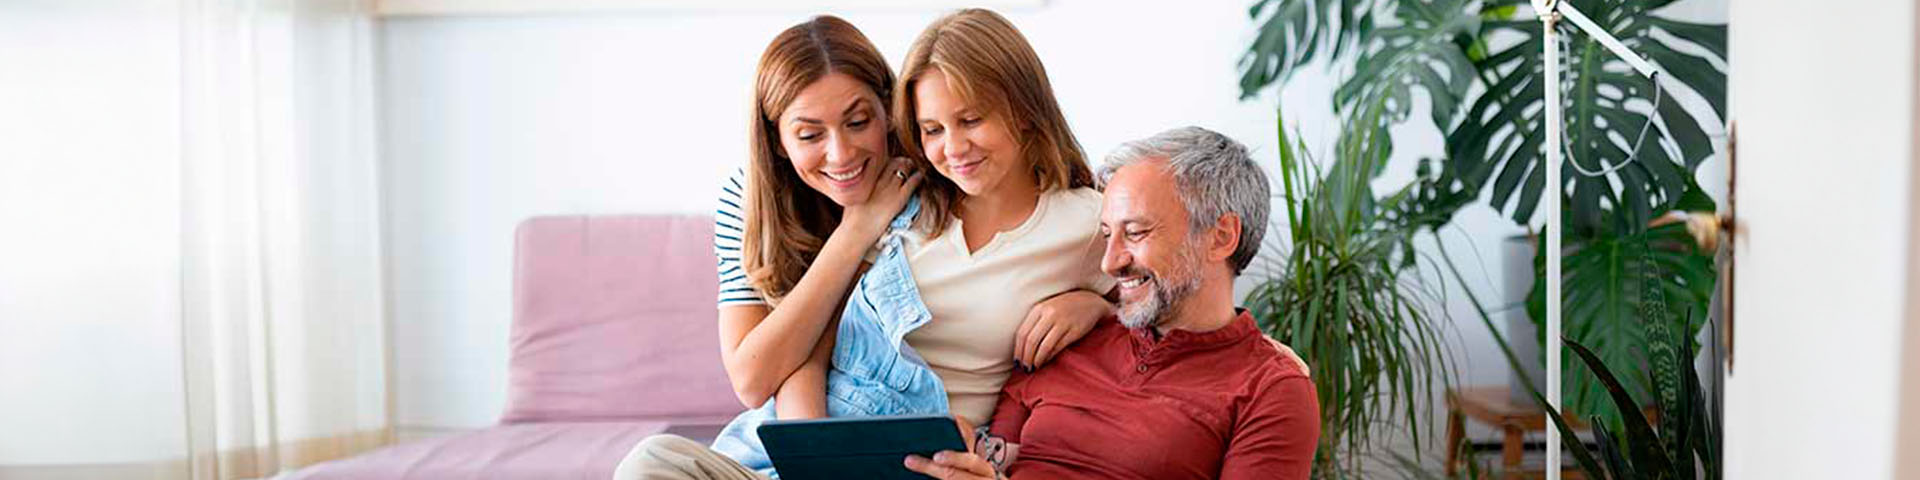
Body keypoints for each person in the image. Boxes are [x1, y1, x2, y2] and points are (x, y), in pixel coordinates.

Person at [615, 10, 1113, 479]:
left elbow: (1162, 308)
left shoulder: (1087, 222)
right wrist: (814, 460)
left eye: (972, 120)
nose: (954, 148)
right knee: (653, 460)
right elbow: (802, 358)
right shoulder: (908, 203)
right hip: (806, 443)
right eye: (933, 129)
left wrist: (1095, 306)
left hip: (925, 453)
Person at [904, 127, 1321, 480]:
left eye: (1135, 233)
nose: (1110, 262)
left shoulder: (1270, 389)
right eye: (1107, 235)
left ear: (1221, 237)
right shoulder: (1068, 337)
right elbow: (999, 457)